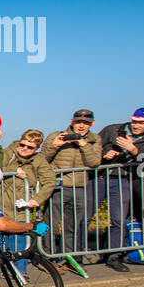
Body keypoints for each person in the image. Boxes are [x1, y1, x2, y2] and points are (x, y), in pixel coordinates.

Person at [97, 107, 144, 271]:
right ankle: (77, 255)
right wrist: (105, 153)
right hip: (100, 177)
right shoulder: (113, 129)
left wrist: (133, 149)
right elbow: (95, 145)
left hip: (124, 178)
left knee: (119, 218)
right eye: (134, 121)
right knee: (85, 215)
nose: (136, 125)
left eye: (141, 122)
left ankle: (114, 255)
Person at [41, 109, 102, 261]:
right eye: (78, 122)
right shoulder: (56, 136)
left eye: (86, 123)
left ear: (92, 124)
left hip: (79, 187)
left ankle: (70, 257)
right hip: (57, 186)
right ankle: (49, 257)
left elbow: (94, 162)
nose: (81, 126)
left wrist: (83, 144)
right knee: (50, 224)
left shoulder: (94, 139)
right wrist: (55, 145)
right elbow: (42, 160)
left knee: (73, 226)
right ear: (71, 122)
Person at [0, 130, 57, 273]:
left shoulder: (39, 160)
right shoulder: (8, 152)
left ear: (36, 148)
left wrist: (36, 200)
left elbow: (50, 181)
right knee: (2, 237)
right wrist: (14, 170)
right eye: (22, 144)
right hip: (2, 202)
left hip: (21, 206)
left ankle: (20, 272)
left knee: (20, 239)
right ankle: (2, 270)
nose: (24, 148)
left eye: (30, 147)